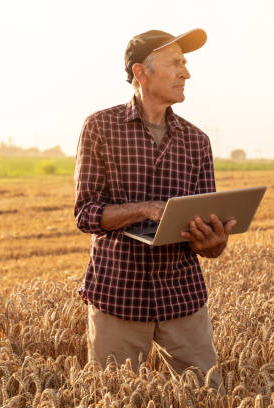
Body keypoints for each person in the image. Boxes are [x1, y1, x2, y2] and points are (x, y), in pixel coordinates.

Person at [73, 28, 234, 391]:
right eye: (175, 63)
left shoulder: (197, 141)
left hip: (183, 297)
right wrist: (145, 209)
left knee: (208, 396)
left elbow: (209, 241)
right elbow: (86, 214)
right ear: (141, 73)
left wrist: (214, 241)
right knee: (110, 398)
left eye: (185, 63)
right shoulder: (100, 127)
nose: (186, 73)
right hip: (118, 296)